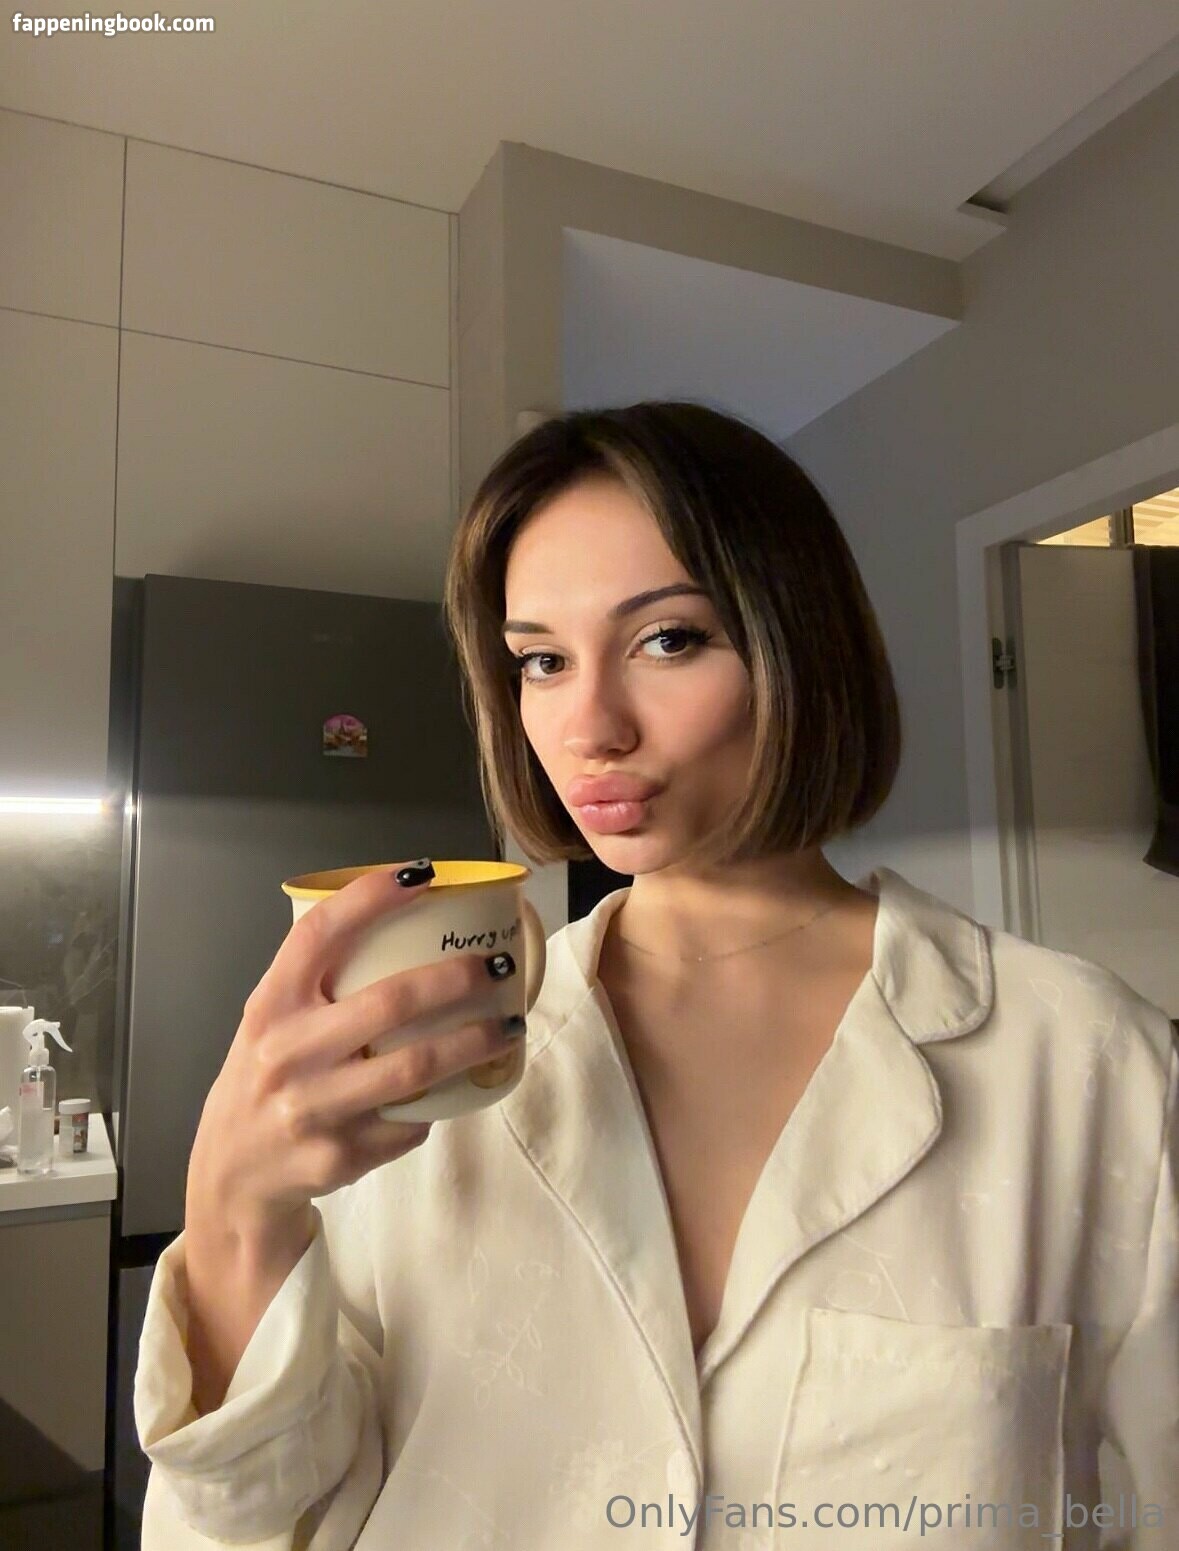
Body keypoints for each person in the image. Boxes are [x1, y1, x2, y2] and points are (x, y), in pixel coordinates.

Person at [135, 401, 1177, 1550]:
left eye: (668, 639)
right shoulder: (428, 1060)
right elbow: (257, 1522)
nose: (589, 727)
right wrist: (233, 1214)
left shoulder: (1094, 1066)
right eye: (541, 660)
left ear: (800, 644)